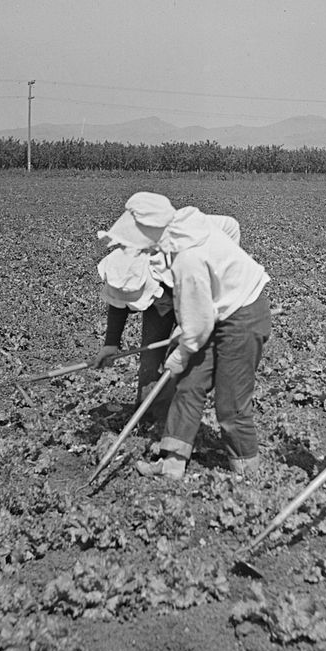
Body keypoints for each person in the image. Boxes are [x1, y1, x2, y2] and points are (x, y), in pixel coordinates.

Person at [96, 192, 271, 480]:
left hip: (243, 316)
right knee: (189, 382)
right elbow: (196, 318)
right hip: (214, 311)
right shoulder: (177, 232)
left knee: (231, 401)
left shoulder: (186, 259)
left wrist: (181, 351)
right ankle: (172, 463)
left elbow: (198, 324)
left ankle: (248, 472)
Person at [91, 204, 242, 431]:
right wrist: (111, 343)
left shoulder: (191, 235)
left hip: (196, 289)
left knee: (183, 360)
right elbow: (118, 299)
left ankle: (174, 424)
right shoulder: (127, 256)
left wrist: (200, 314)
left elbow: (232, 227)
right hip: (165, 288)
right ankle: (148, 419)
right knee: (150, 358)